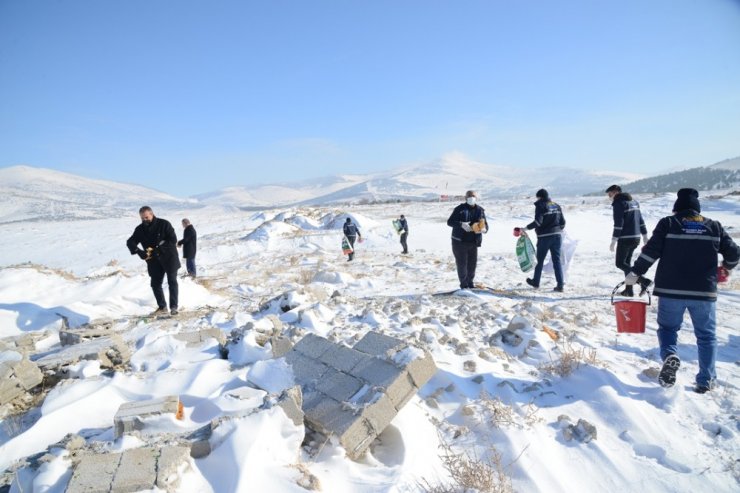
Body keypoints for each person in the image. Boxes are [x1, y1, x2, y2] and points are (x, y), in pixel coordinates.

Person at [625, 188, 739, 393]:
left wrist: (634, 273)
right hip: (704, 292)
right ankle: (706, 380)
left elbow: (651, 252)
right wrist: (727, 267)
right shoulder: (714, 226)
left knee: (668, 329)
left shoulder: (669, 223)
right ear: (697, 207)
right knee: (706, 336)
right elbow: (734, 253)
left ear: (677, 207)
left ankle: (670, 355)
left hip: (670, 291)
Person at [126, 206, 181, 315]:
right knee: (155, 284)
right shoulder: (140, 229)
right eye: (142, 218)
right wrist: (138, 251)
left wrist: (159, 249)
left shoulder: (164, 224)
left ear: (152, 214)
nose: (145, 220)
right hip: (153, 261)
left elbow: (172, 239)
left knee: (172, 281)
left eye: (146, 217)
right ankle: (162, 307)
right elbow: (130, 242)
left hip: (169, 257)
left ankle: (174, 307)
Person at [606, 184, 650, 296]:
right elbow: (641, 220)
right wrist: (644, 235)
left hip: (625, 238)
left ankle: (644, 281)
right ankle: (629, 291)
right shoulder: (634, 202)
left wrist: (614, 240)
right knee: (627, 264)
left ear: (616, 192)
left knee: (620, 263)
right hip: (636, 238)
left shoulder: (619, 203)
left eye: (610, 193)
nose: (609, 196)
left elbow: (618, 224)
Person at [522, 189, 566, 292]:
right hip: (557, 237)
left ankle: (536, 282)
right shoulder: (556, 205)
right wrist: (557, 230)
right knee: (556, 261)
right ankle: (560, 285)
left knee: (539, 261)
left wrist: (525, 228)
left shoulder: (540, 205)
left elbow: (538, 222)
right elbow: (563, 223)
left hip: (545, 237)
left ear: (539, 197)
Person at [446, 190, 488, 289]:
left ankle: (470, 283)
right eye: (469, 196)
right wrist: (461, 224)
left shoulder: (480, 210)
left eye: (473, 196)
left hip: (474, 242)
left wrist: (484, 229)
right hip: (459, 242)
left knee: (472, 265)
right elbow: (450, 222)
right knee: (462, 265)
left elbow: (486, 224)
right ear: (465, 198)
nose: (471, 197)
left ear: (476, 197)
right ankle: (464, 285)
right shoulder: (459, 209)